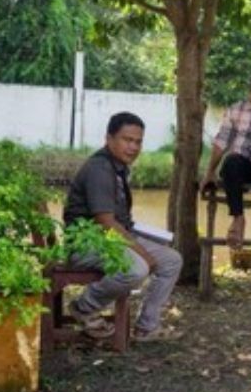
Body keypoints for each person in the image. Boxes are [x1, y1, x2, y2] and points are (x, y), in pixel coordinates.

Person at [63, 112, 183, 342]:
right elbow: (105, 222)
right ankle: (84, 306)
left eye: (138, 142)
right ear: (109, 139)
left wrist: (143, 244)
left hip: (107, 239)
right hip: (86, 245)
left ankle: (146, 327)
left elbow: (117, 222)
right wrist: (143, 252)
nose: (133, 147)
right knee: (136, 268)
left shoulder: (117, 167)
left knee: (171, 260)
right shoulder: (100, 169)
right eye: (127, 140)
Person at [199, 70, 251, 250]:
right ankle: (238, 219)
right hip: (241, 167)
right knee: (231, 161)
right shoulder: (236, 110)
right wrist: (209, 172)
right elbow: (221, 141)